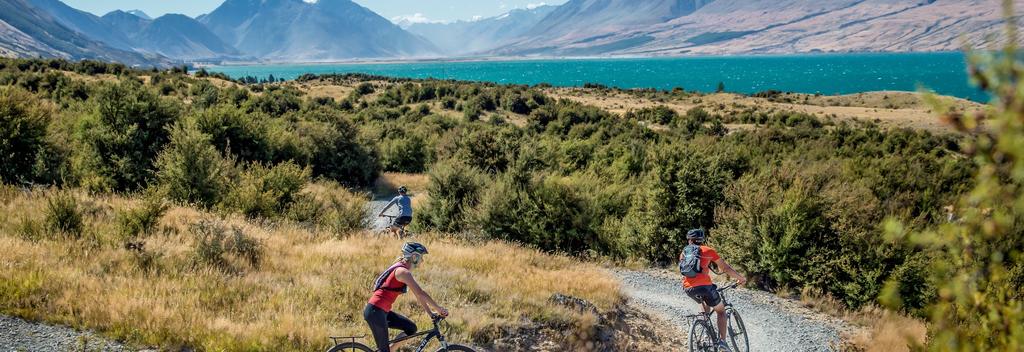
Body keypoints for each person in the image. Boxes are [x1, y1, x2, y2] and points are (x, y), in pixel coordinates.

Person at [365, 242, 448, 352]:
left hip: (382, 311)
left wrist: (431, 313)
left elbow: (419, 296)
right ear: (414, 256)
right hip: (375, 312)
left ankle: (391, 350)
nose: (422, 261)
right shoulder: (403, 272)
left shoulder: (404, 270)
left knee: (411, 328)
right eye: (421, 257)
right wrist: (439, 308)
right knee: (383, 350)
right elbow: (421, 293)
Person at [681, 228, 747, 351]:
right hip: (705, 287)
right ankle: (722, 342)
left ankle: (705, 330)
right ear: (702, 239)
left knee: (703, 302)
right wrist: (741, 278)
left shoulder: (684, 252)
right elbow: (725, 268)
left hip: (688, 288)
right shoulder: (708, 250)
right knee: (721, 311)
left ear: (689, 240)